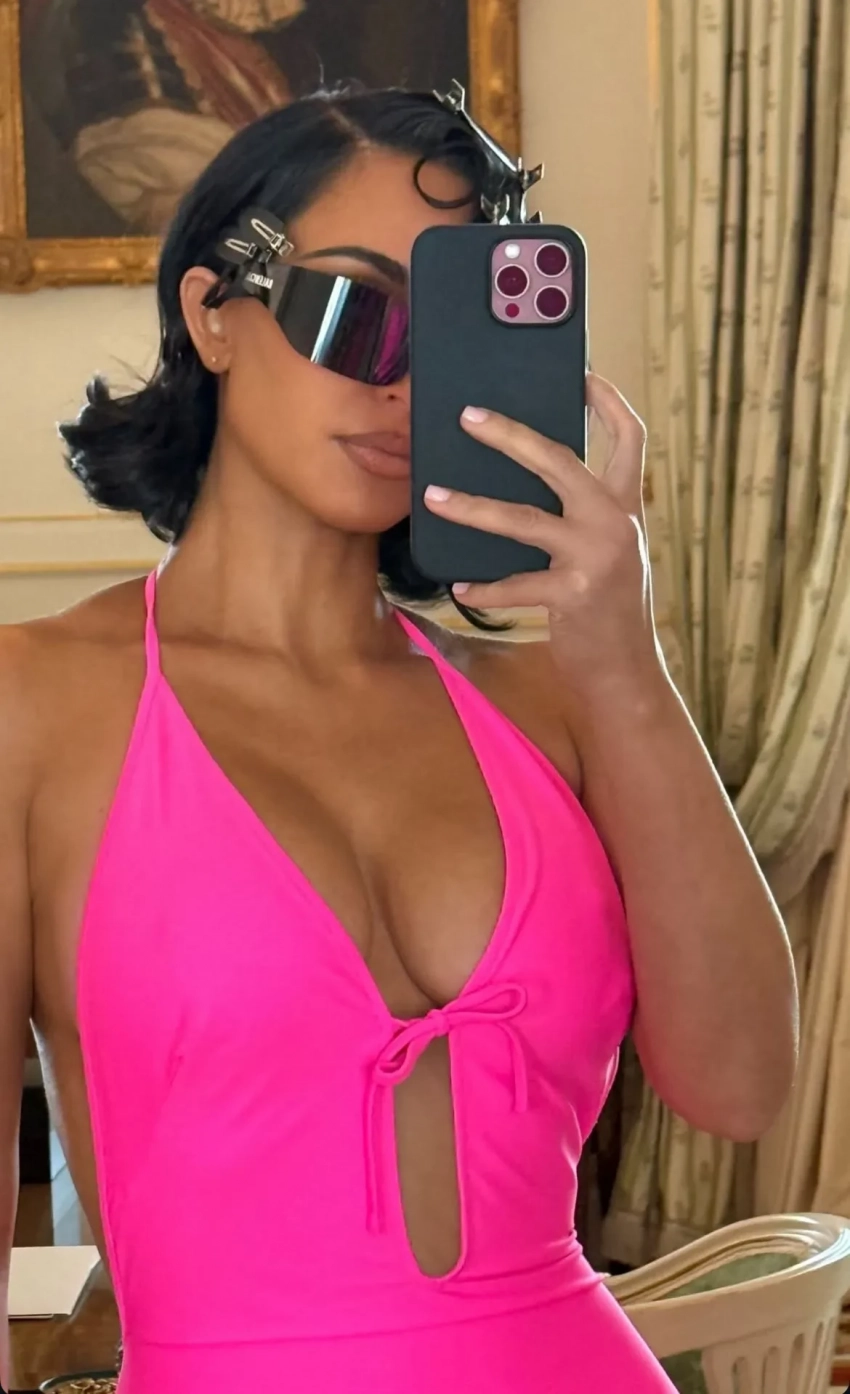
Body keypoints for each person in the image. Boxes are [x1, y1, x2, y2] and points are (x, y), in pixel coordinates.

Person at [0, 88, 798, 1394]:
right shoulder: (31, 708)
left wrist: (624, 664)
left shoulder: (553, 704)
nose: (403, 383)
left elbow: (741, 1085)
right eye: (356, 312)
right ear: (213, 312)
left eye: (457, 338)